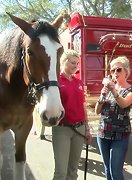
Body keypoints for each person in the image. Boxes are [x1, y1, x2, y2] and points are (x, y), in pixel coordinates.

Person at [52, 49, 92, 180]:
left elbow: (83, 106)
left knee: (73, 171)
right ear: (64, 62)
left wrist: (87, 128)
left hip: (79, 129)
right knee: (61, 173)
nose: (76, 66)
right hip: (62, 129)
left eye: (77, 64)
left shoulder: (79, 82)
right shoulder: (56, 81)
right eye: (73, 63)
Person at [94, 56, 132, 180]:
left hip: (120, 135)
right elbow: (97, 110)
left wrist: (113, 90)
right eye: (112, 71)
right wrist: (102, 95)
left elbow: (123, 103)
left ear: (126, 72)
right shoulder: (108, 89)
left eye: (118, 70)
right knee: (107, 170)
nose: (115, 73)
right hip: (103, 133)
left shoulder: (131, 90)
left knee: (116, 172)